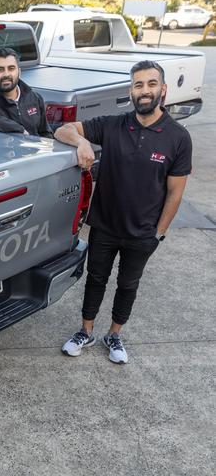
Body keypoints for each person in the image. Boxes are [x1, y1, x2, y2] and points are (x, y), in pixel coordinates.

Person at [56, 60, 192, 364]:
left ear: (163, 90)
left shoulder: (178, 137)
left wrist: (159, 233)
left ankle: (114, 335)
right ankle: (86, 331)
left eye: (151, 84)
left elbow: (176, 192)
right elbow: (62, 130)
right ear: (131, 91)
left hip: (143, 232)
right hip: (105, 225)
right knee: (96, 279)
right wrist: (81, 142)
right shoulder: (113, 125)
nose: (145, 91)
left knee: (128, 284)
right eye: (138, 85)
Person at [0, 47, 53, 138]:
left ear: (19, 72)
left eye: (11, 68)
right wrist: (19, 129)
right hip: (0, 152)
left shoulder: (35, 98)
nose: (6, 74)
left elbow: (46, 134)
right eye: (0, 69)